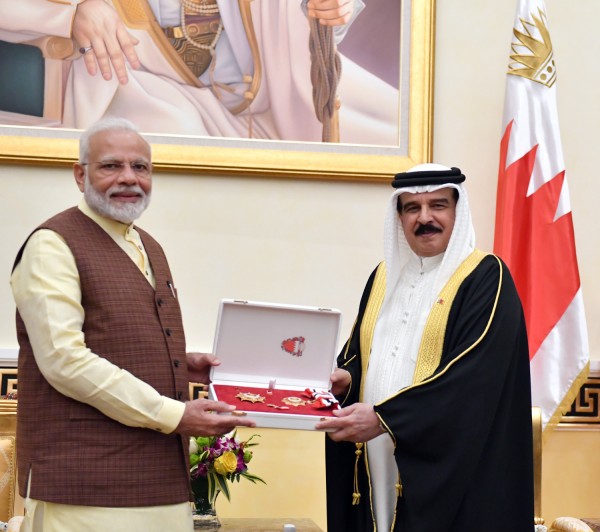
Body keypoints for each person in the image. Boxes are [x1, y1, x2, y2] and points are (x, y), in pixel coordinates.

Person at [10, 117, 255, 532]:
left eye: (140, 167)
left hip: (162, 485)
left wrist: (178, 363)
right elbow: (64, 361)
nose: (129, 178)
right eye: (111, 166)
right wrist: (174, 414)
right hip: (84, 491)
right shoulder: (52, 244)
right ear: (80, 175)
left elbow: (115, 337)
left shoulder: (148, 246)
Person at [316, 164, 534, 532]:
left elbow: (471, 379)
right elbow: (361, 353)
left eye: (438, 205)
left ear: (457, 211)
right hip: (376, 454)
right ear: (399, 217)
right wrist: (346, 380)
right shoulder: (383, 277)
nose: (425, 218)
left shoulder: (485, 276)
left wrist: (386, 418)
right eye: (412, 208)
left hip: (452, 468)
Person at [0, 0, 398, 144]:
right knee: (169, 137)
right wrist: (76, 11)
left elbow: (305, 13)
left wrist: (333, 11)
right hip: (143, 86)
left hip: (265, 97)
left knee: (394, 132)